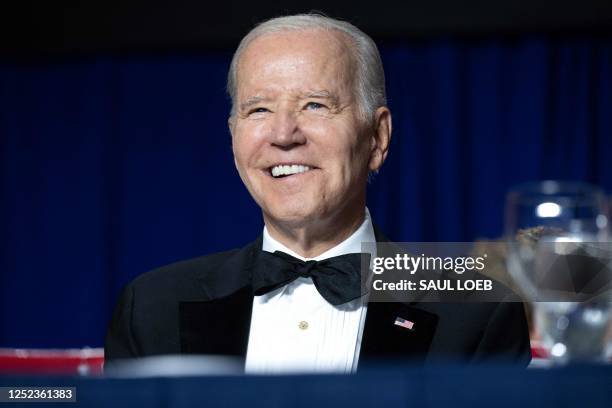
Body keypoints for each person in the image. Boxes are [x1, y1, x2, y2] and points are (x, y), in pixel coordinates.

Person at [105, 13, 531, 372]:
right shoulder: (150, 308)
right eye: (259, 109)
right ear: (233, 138)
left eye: (315, 105)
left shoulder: (477, 312)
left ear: (377, 138)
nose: (284, 134)